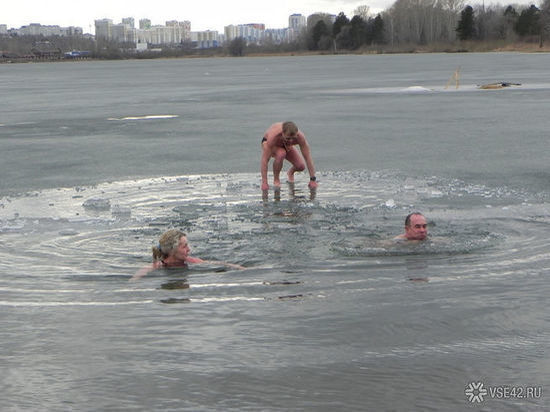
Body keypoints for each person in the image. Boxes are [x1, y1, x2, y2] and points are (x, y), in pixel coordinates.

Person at [130, 229, 245, 280]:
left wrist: (244, 270)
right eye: (184, 246)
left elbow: (219, 264)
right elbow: (135, 278)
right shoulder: (157, 266)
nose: (189, 249)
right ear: (172, 250)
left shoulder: (191, 261)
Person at [260, 121, 318, 191]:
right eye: (288, 138)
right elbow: (265, 160)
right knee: (281, 153)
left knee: (301, 166)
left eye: (293, 138)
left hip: (285, 145)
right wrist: (264, 183)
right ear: (282, 134)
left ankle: (290, 173)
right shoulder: (273, 137)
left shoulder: (300, 137)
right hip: (268, 143)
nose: (291, 141)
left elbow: (307, 157)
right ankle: (276, 179)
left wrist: (313, 179)